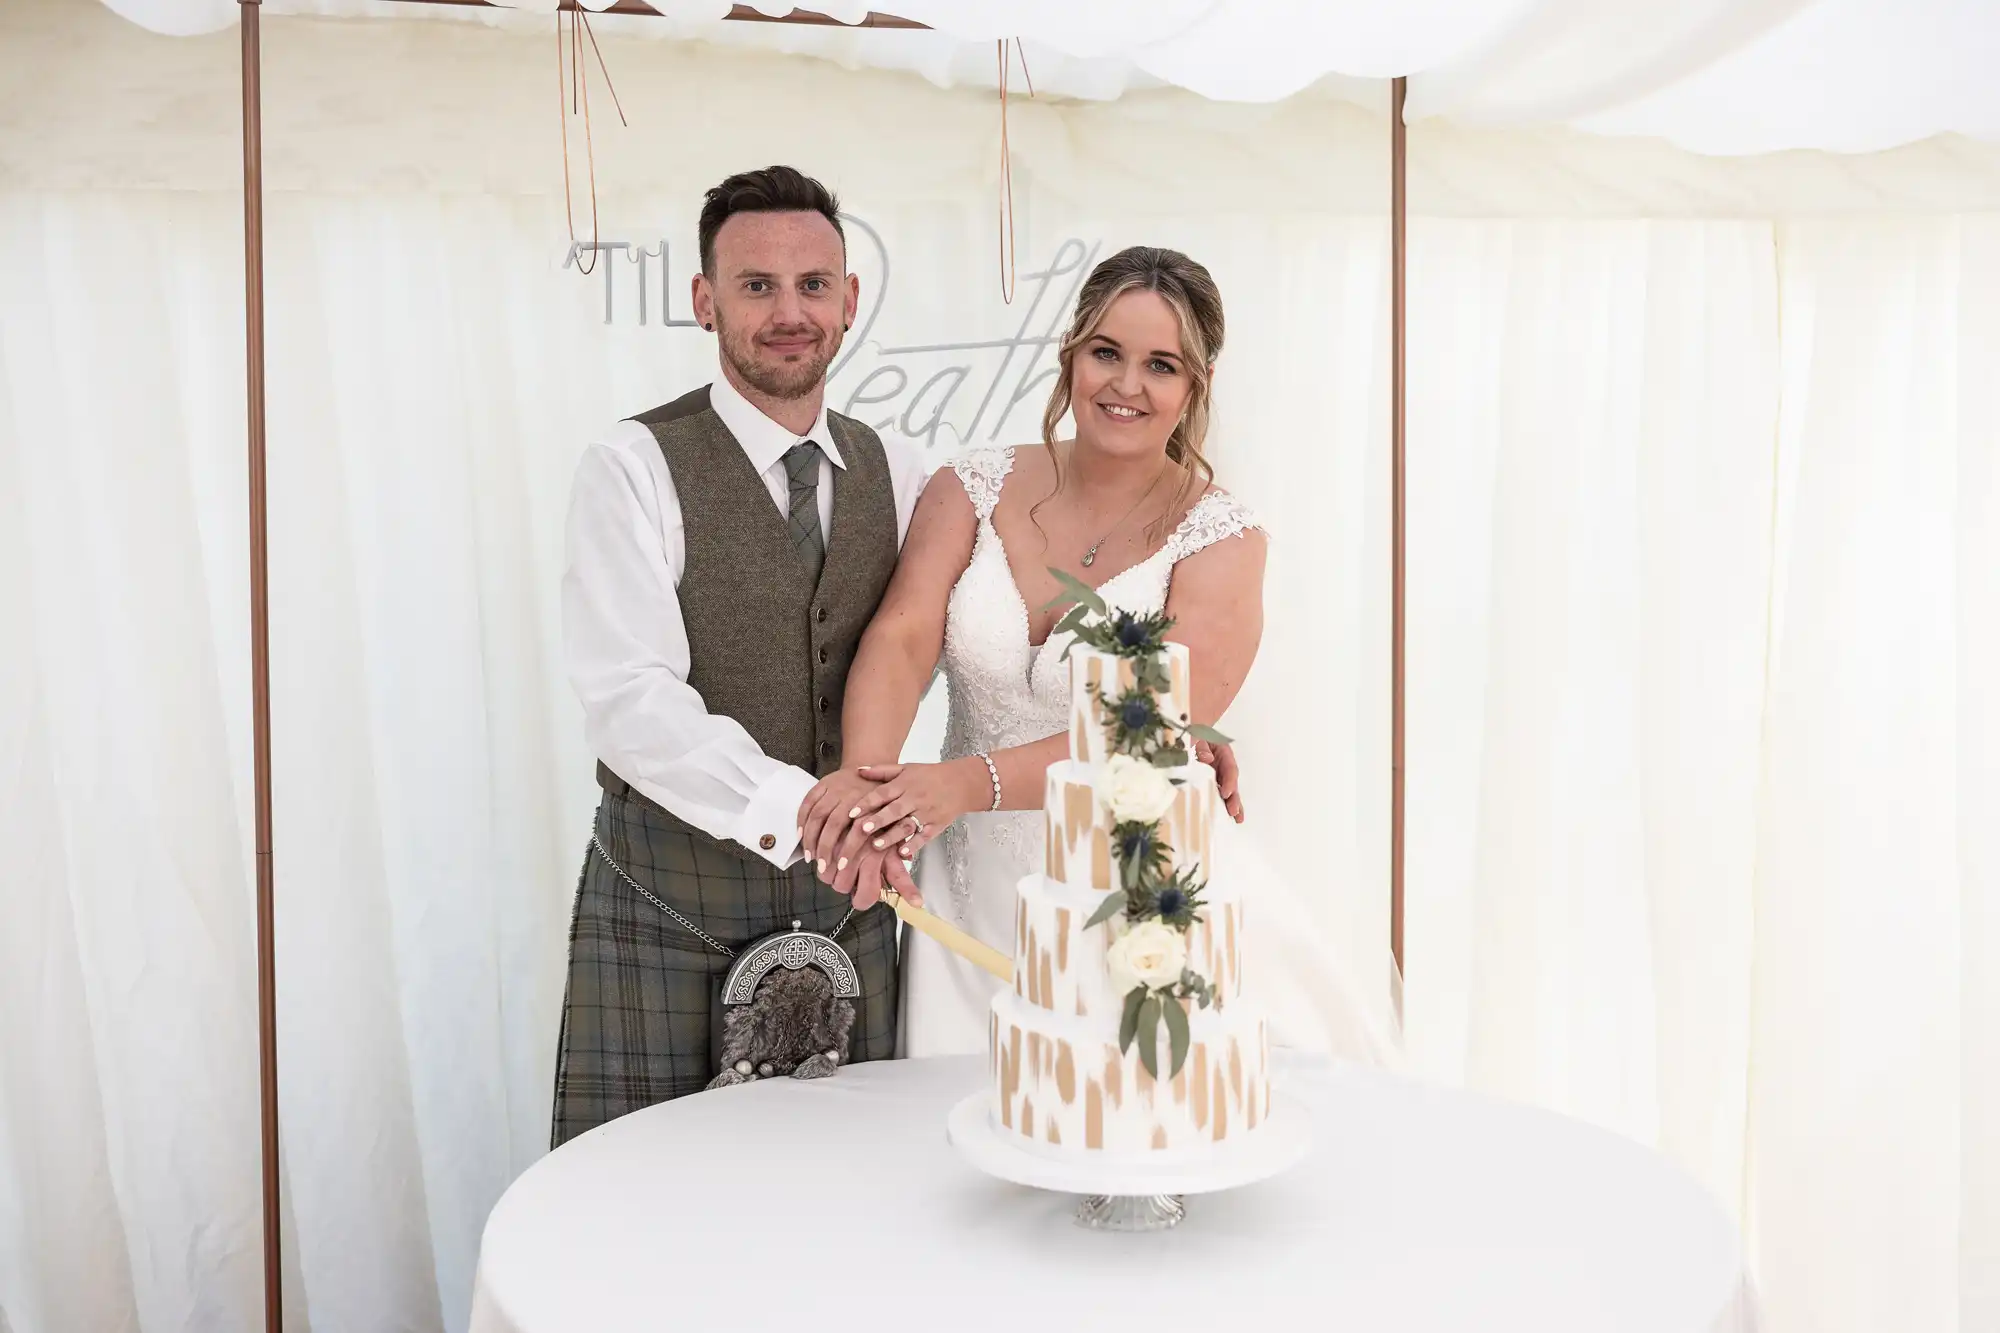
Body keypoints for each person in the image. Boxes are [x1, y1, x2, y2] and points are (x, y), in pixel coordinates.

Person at [800, 245, 1400, 1062]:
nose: (1126, 385)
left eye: (1161, 365)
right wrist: (873, 798)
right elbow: (903, 635)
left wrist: (961, 785)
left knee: (1140, 1130)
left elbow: (1149, 728)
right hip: (966, 890)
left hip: (1140, 897)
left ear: (1196, 387)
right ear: (1072, 353)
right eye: (1107, 352)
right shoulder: (968, 486)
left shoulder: (1223, 541)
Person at [549, 166, 931, 1145]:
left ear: (848, 300)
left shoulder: (903, 470)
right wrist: (801, 808)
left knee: (846, 1192)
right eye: (755, 285)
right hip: (671, 894)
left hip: (848, 906)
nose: (788, 311)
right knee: (640, 1200)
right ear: (703, 300)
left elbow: (979, 620)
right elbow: (629, 697)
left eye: (812, 284)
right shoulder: (632, 466)